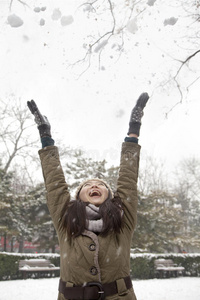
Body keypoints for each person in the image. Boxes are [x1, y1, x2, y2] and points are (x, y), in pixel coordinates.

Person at [27, 92, 149, 300]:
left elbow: (128, 181)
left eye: (100, 185)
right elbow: (55, 184)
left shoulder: (122, 220)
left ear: (109, 196)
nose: (94, 186)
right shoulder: (66, 220)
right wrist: (45, 137)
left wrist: (133, 131)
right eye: (88, 185)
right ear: (79, 196)